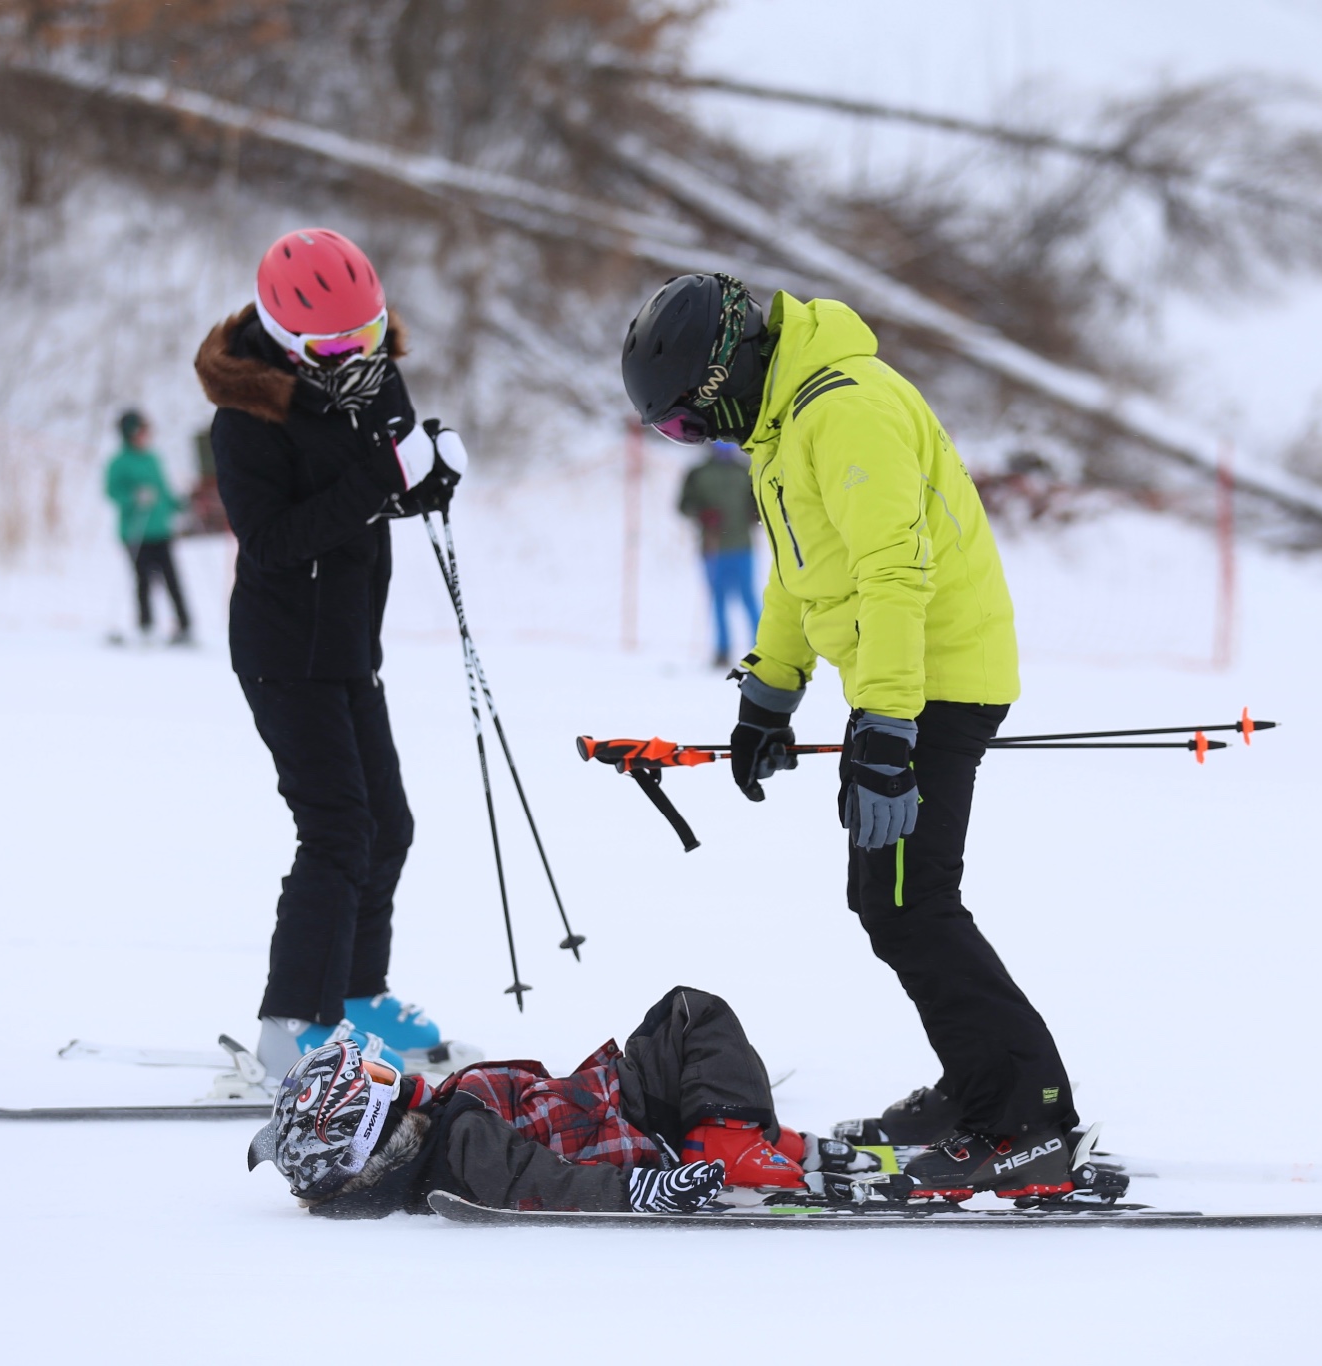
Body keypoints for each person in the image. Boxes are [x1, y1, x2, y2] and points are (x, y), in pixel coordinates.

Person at [619, 273, 1080, 1199]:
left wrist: (887, 731)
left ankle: (1027, 1118)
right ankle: (977, 1090)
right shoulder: (787, 427)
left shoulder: (847, 410)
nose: (696, 438)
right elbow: (798, 576)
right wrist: (769, 697)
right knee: (892, 898)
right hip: (905, 685)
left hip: (934, 681)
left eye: (685, 420)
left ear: (723, 375)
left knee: (912, 901)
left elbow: (893, 574)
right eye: (675, 433)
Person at [194, 227, 465, 1081]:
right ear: (284, 339)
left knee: (389, 824)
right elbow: (274, 540)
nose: (359, 357)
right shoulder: (247, 418)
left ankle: (355, 999)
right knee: (338, 830)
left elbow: (379, 484)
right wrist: (386, 478)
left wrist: (428, 479)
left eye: (371, 334)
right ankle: (290, 1027)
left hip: (350, 641)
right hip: (283, 652)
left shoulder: (372, 373)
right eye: (335, 346)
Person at [249, 985, 860, 1216]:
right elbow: (542, 1184)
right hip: (628, 1123)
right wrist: (639, 1191)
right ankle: (732, 1147)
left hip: (613, 1102)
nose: (394, 1075)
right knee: (690, 1015)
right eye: (379, 1079)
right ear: (365, 1126)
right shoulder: (459, 1144)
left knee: (686, 1023)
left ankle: (753, 1138)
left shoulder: (438, 1126)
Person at [104, 409, 194, 645]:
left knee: (172, 579)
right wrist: (134, 497)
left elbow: (163, 490)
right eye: (142, 431)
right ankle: (146, 626)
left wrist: (180, 504)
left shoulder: (153, 458)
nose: (147, 436)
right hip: (135, 532)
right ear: (131, 433)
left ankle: (185, 626)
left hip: (160, 531)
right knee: (143, 580)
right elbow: (112, 492)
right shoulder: (119, 463)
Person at [676, 440, 760, 667]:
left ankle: (761, 650)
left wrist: (755, 513)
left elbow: (760, 501)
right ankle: (722, 651)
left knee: (750, 599)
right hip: (713, 548)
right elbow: (684, 504)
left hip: (743, 546)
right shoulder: (698, 473)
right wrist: (703, 513)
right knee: (719, 601)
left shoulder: (746, 470)